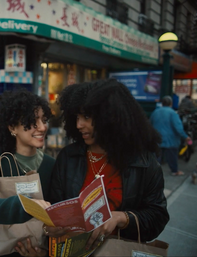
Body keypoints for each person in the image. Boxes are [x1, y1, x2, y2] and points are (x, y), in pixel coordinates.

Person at [43, 79, 169, 250]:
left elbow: (157, 217)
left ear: (111, 117)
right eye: (77, 117)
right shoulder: (68, 157)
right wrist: (51, 228)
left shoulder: (144, 163)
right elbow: (54, 208)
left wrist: (122, 218)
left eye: (86, 117)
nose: (79, 124)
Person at [0, 89, 55, 257]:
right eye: (33, 121)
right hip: (0, 251)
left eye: (44, 120)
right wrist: (27, 205)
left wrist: (44, 254)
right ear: (12, 127)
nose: (42, 127)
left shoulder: (50, 164)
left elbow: (57, 215)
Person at [150, 96, 191, 176]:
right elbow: (178, 128)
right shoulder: (173, 113)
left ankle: (153, 172)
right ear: (171, 104)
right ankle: (174, 171)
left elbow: (150, 124)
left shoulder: (155, 112)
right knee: (172, 156)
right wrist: (185, 136)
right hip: (170, 140)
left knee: (157, 157)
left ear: (162, 103)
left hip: (157, 139)